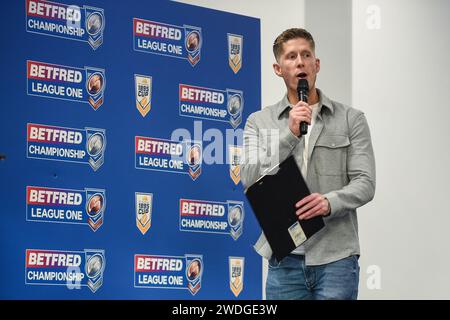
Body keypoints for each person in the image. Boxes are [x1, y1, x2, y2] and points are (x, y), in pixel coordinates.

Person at [241, 28, 376, 300]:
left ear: (317, 65)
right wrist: (289, 135)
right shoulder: (259, 122)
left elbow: (365, 182)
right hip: (285, 259)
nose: (300, 62)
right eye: (291, 57)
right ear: (278, 69)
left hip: (336, 258)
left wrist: (330, 202)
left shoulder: (351, 119)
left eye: (306, 55)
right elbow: (249, 175)